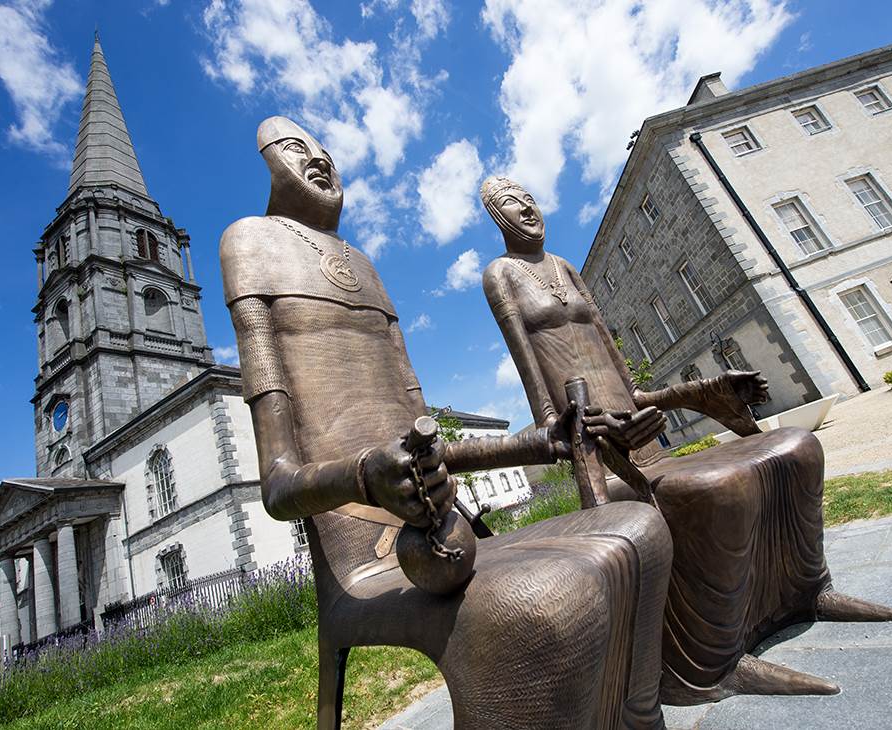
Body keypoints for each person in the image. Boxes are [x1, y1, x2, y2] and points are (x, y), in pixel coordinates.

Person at [220, 117, 673, 729]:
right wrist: (365, 475)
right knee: (545, 598)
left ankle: (633, 717)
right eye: (297, 150)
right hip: (370, 566)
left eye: (325, 151)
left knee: (642, 530)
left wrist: (540, 440)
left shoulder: (365, 265)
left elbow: (433, 441)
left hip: (439, 535)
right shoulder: (247, 242)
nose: (319, 161)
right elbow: (278, 487)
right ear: (267, 161)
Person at [479, 175, 892, 704]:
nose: (525, 209)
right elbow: (545, 407)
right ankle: (712, 664)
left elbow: (630, 383)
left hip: (645, 437)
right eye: (509, 205)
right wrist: (586, 428)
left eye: (529, 199)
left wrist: (704, 390)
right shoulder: (500, 275)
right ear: (496, 217)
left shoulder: (566, 268)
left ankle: (808, 591)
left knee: (797, 447)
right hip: (604, 457)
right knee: (715, 487)